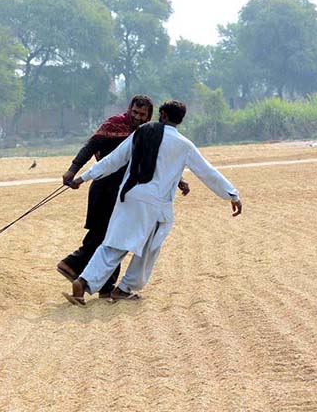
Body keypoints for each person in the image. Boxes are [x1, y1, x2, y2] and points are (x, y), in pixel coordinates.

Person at [63, 100, 242, 306]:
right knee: (150, 247)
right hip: (156, 205)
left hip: (129, 196)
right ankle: (125, 288)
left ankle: (83, 282)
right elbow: (207, 173)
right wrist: (232, 195)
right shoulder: (184, 145)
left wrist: (82, 178)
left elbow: (113, 160)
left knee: (113, 244)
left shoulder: (141, 132)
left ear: (163, 114)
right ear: (180, 120)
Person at [56, 95, 189, 298]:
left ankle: (104, 284)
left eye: (142, 115)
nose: (137, 117)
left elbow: (159, 163)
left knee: (115, 236)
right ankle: (74, 265)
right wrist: (74, 170)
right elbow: (92, 146)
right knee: (106, 235)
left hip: (126, 191)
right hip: (104, 187)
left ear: (150, 116)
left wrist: (178, 181)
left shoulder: (149, 134)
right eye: (134, 112)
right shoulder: (115, 124)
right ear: (129, 109)